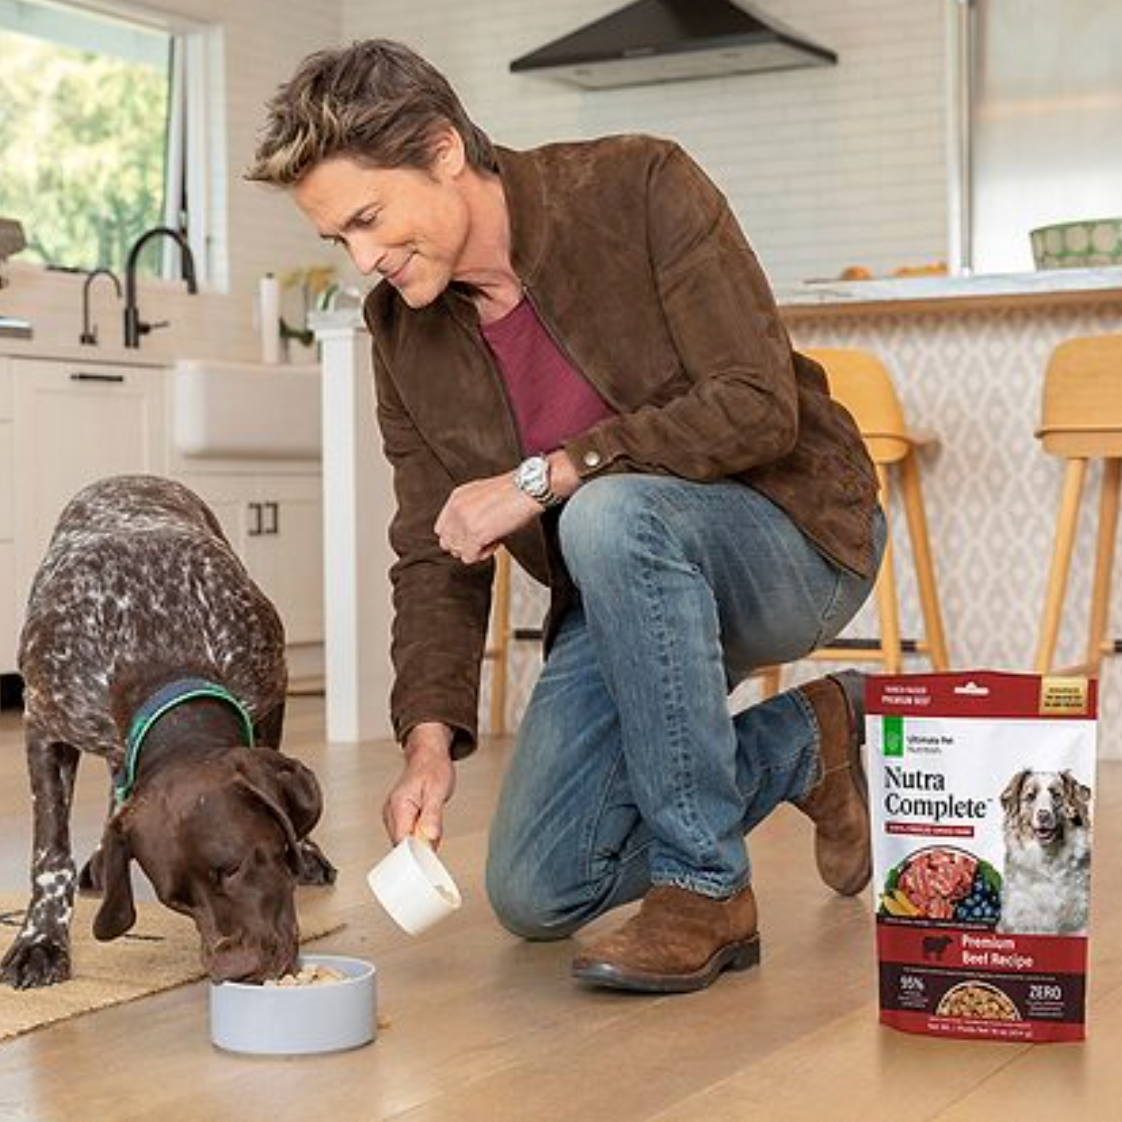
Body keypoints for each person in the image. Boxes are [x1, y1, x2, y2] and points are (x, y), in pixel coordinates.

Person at [247, 39, 886, 994]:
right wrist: (427, 737)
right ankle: (810, 741)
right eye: (340, 240)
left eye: (371, 219)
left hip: (792, 535)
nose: (366, 259)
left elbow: (757, 403)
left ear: (444, 149)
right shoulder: (399, 329)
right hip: (622, 579)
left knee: (607, 511)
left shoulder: (637, 185)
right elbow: (438, 544)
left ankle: (706, 888)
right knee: (537, 888)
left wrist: (553, 475)